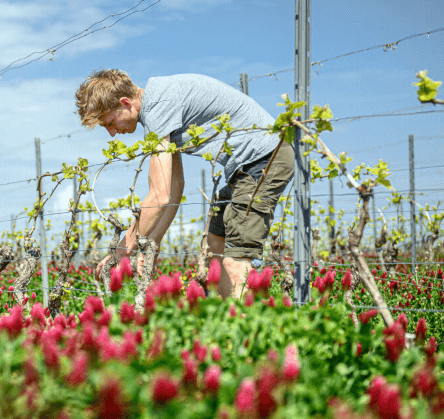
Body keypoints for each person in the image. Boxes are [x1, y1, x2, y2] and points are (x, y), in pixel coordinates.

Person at [74, 69, 294, 299]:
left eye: (109, 122)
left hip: (265, 158)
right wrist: (151, 244)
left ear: (126, 102)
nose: (111, 133)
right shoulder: (159, 107)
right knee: (215, 242)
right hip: (246, 167)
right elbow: (173, 189)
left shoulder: (159, 106)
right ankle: (227, 314)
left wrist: (120, 252)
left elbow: (159, 195)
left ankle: (246, 325)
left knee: (236, 257)